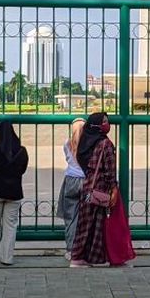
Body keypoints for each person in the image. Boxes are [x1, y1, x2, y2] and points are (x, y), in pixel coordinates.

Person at [70, 112, 127, 266]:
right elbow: (109, 169)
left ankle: (78, 257)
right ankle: (91, 257)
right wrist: (113, 188)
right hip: (101, 188)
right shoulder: (105, 144)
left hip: (88, 186)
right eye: (104, 121)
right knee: (98, 224)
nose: (107, 124)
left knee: (85, 223)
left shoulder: (85, 142)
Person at [0, 120, 29, 266]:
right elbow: (22, 170)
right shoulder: (22, 151)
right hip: (14, 192)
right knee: (10, 225)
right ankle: (7, 258)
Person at [57, 118, 86, 259]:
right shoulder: (91, 144)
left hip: (70, 180)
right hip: (87, 181)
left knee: (71, 217)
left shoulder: (67, 144)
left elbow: (68, 159)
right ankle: (85, 249)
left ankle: (71, 250)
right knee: (87, 217)